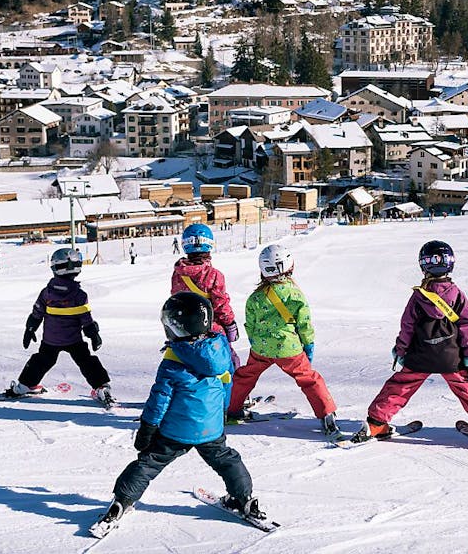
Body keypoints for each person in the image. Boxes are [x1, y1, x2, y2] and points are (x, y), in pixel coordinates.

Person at [92, 292, 264, 533]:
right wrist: (223, 412)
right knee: (227, 460)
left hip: (175, 432)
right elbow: (227, 385)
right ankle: (243, 499)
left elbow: (159, 400)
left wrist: (147, 428)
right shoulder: (221, 349)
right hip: (211, 428)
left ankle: (121, 501)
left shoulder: (173, 361)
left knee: (148, 463)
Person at [354, 240, 468, 445]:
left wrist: (401, 350)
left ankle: (376, 424)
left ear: (423, 265)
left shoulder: (418, 296)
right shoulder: (457, 294)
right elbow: (467, 326)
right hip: (451, 356)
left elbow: (407, 326)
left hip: (420, 355)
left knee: (400, 386)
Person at [227, 244, 340, 438]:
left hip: (261, 349)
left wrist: (256, 342)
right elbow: (304, 324)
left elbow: (250, 324)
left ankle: (232, 409)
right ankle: (326, 414)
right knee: (309, 379)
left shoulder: (255, 297)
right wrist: (308, 345)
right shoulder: (295, 294)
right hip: (289, 348)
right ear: (290, 266)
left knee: (245, 376)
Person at [8, 248, 112, 405]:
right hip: (74, 340)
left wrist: (30, 329)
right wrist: (94, 335)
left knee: (42, 360)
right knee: (86, 361)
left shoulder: (46, 293)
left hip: (51, 340)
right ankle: (101, 387)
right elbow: (86, 319)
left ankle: (24, 386)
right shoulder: (79, 295)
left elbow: (37, 313)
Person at [171, 224, 240, 376]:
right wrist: (230, 324)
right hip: (211, 330)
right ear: (209, 244)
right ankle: (231, 389)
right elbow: (221, 305)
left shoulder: (178, 274)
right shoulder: (214, 275)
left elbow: (175, 300)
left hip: (184, 331)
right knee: (228, 361)